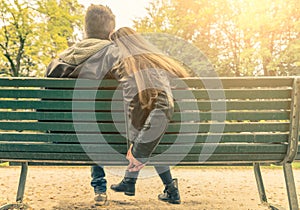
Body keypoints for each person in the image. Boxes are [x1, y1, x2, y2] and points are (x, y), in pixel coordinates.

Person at [46, 4, 119, 206]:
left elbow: (44, 110)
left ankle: (99, 186)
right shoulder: (118, 56)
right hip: (115, 139)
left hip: (62, 137)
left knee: (89, 124)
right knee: (98, 125)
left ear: (85, 30)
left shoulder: (57, 62)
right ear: (111, 32)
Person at [108, 27, 190, 204]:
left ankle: (131, 180)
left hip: (162, 123)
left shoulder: (127, 66)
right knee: (151, 135)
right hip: (176, 130)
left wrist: (135, 147)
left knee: (143, 133)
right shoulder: (160, 62)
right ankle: (165, 188)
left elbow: (135, 107)